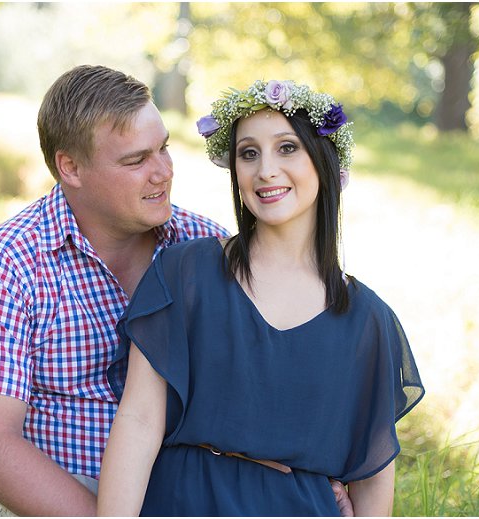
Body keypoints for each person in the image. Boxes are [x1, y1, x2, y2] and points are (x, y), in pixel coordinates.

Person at [97, 79, 425, 516]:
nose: (265, 170)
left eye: (287, 148)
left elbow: (373, 475)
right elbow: (139, 420)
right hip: (185, 502)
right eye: (248, 153)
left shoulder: (368, 320)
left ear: (325, 160)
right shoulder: (184, 272)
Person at [0, 65, 230, 516]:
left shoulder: (207, 247)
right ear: (70, 167)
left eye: (163, 149)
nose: (163, 172)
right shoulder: (5, 261)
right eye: (136, 160)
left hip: (193, 494)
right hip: (61, 498)